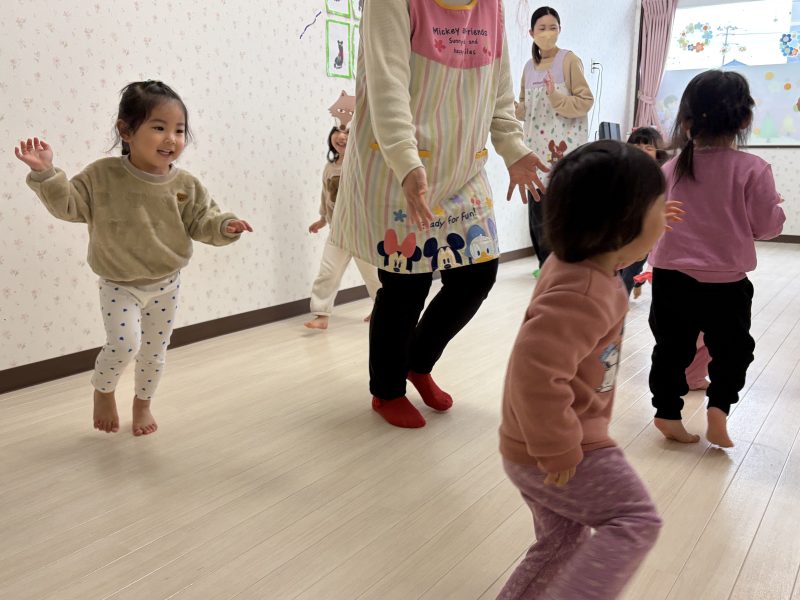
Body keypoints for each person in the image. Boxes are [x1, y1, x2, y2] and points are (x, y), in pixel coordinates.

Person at [330, 0, 548, 428]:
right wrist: (405, 160)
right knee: (405, 284)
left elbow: (499, 91)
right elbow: (386, 85)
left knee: (477, 273)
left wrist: (513, 148)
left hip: (463, 166)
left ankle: (417, 362)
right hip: (400, 164)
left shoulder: (490, 7)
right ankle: (387, 391)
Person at [15, 80, 252, 436]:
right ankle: (103, 390)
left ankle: (143, 405)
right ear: (125, 131)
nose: (171, 139)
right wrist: (45, 173)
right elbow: (69, 205)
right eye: (158, 128)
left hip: (167, 285)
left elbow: (204, 220)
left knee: (155, 353)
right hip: (119, 284)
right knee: (124, 344)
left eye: (179, 130)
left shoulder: (186, 185)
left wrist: (224, 226)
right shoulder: (102, 176)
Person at [499, 141, 673, 599]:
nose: (667, 213)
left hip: (533, 444)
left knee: (560, 543)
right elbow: (535, 371)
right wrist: (558, 447)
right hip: (562, 445)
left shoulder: (577, 261)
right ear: (622, 224)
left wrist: (646, 233)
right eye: (661, 206)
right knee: (635, 520)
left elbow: (619, 256)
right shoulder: (582, 292)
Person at [648, 70, 785, 448]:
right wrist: (776, 210)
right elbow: (766, 227)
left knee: (670, 348)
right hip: (726, 282)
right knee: (734, 350)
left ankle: (666, 411)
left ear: (686, 122)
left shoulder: (671, 168)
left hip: (671, 276)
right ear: (744, 120)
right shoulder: (753, 169)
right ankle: (719, 408)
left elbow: (654, 220)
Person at [515, 5, 593, 277]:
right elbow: (524, 109)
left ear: (560, 30)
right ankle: (545, 265)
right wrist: (508, 107)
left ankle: (569, 264)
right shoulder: (529, 67)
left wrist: (555, 96)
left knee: (565, 208)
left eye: (553, 28)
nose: (547, 33)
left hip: (565, 151)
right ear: (531, 33)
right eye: (542, 28)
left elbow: (585, 101)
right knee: (538, 210)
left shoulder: (569, 60)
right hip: (534, 150)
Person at [305, 124, 380, 330]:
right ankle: (321, 314)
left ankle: (382, 309)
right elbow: (326, 195)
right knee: (328, 272)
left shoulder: (361, 163)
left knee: (373, 275)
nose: (341, 136)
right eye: (337, 131)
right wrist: (322, 219)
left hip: (362, 231)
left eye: (347, 132)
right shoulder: (329, 168)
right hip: (337, 230)